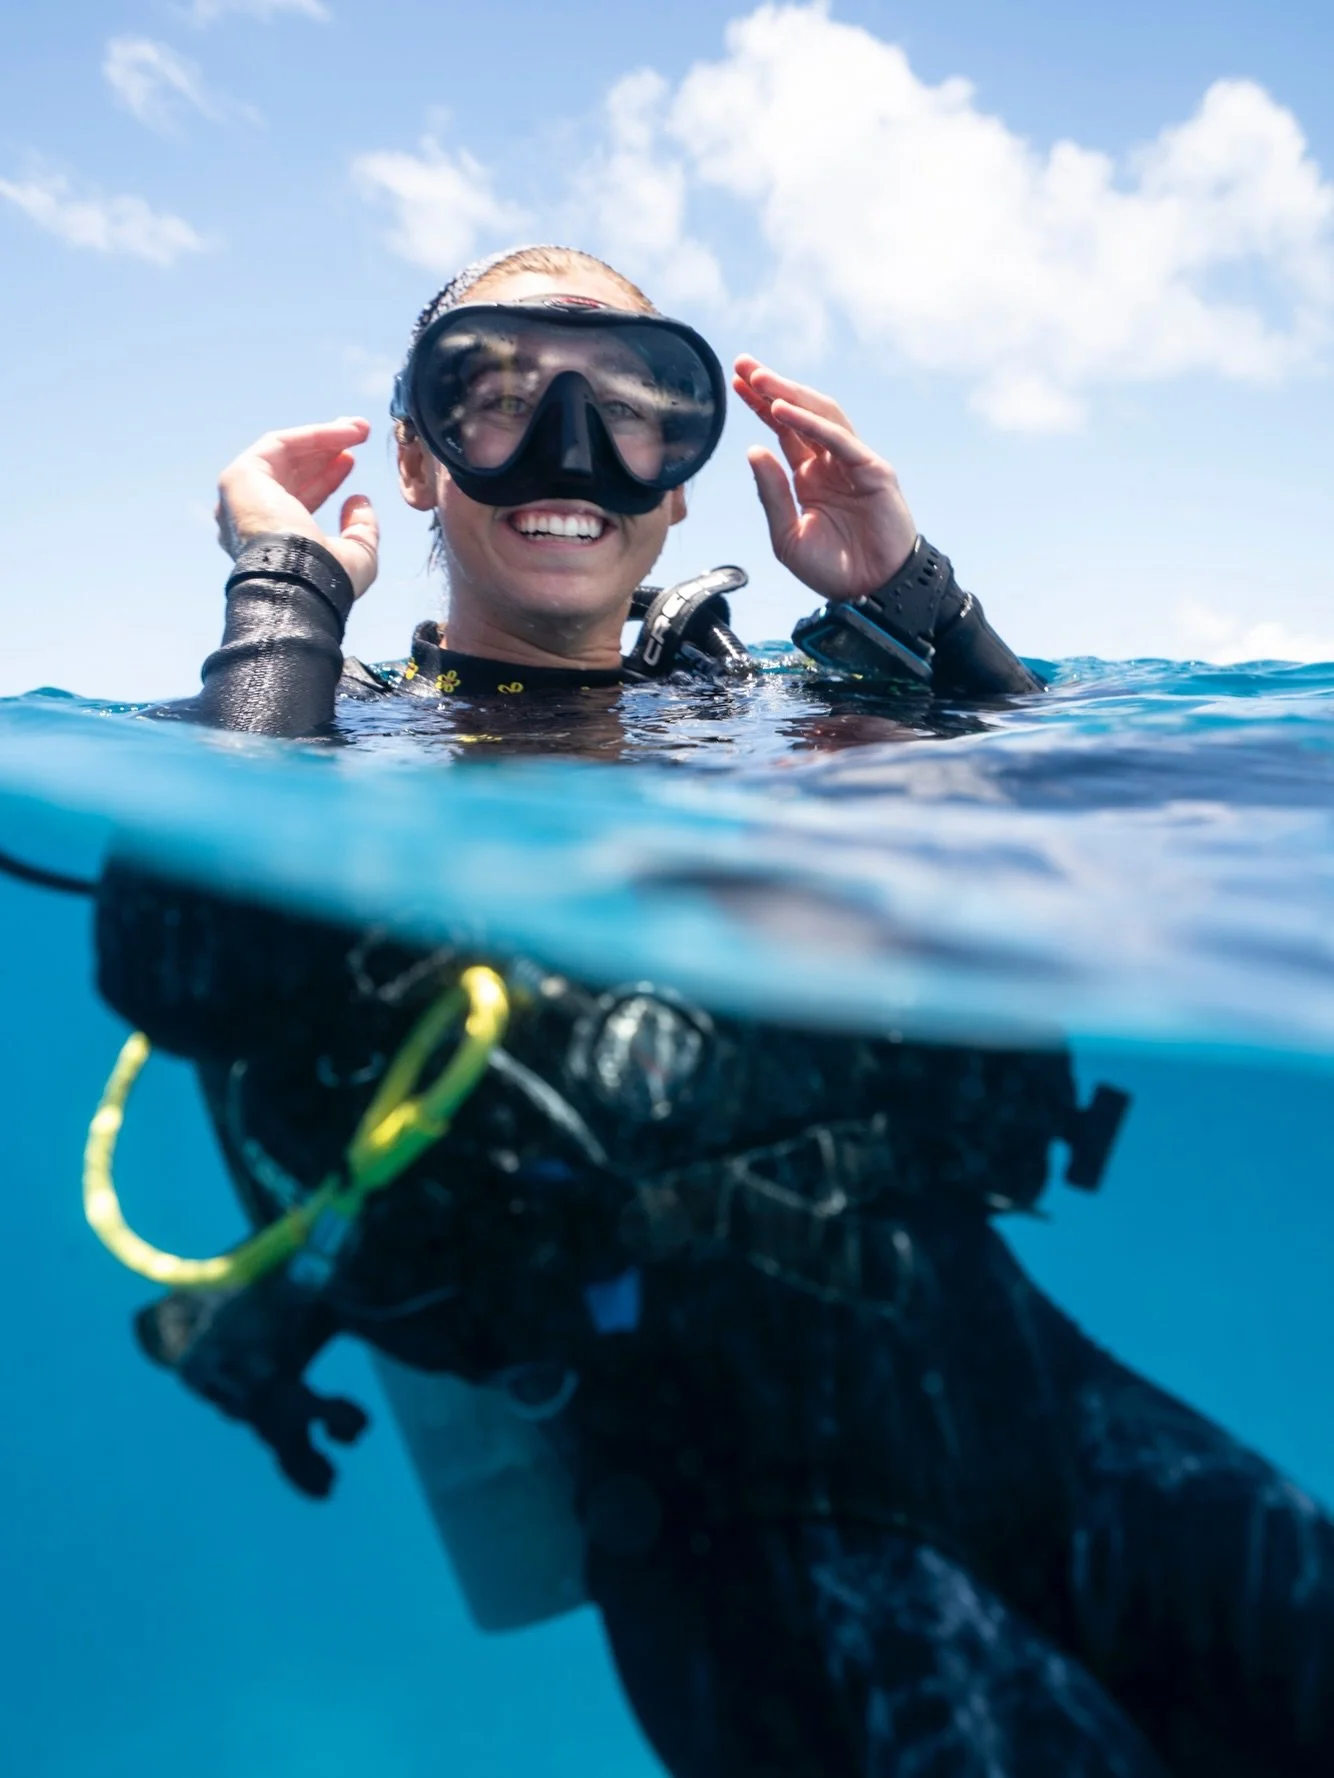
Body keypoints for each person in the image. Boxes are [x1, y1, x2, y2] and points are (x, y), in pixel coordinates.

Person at [92, 244, 1334, 1778]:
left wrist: (913, 597)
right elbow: (189, 971)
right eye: (490, 396)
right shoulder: (313, 740)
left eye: (632, 409)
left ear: (684, 478)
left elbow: (1119, 827)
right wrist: (278, 590)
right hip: (731, 1532)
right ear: (414, 459)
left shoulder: (789, 713)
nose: (566, 455)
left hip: (1035, 1395)